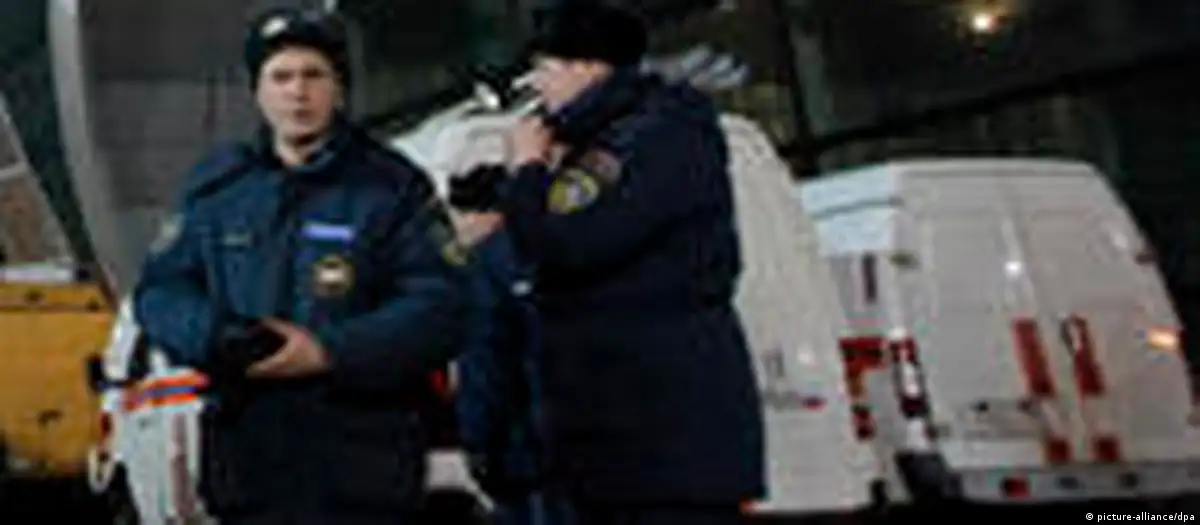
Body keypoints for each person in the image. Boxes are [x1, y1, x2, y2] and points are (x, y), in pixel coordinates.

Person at [131, 8, 470, 524]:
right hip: (250, 456)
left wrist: (328, 351)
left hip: (361, 457)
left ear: (340, 88)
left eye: (314, 75)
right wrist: (215, 337)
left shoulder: (391, 189)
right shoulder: (220, 190)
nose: (298, 93)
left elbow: (442, 304)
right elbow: (160, 290)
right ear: (258, 91)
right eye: (281, 77)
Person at [466, 3, 767, 524]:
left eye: (544, 68)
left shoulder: (655, 136)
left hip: (662, 449)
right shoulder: (612, 140)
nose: (538, 86)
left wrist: (527, 173)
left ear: (587, 66)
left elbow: (564, 245)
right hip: (616, 450)